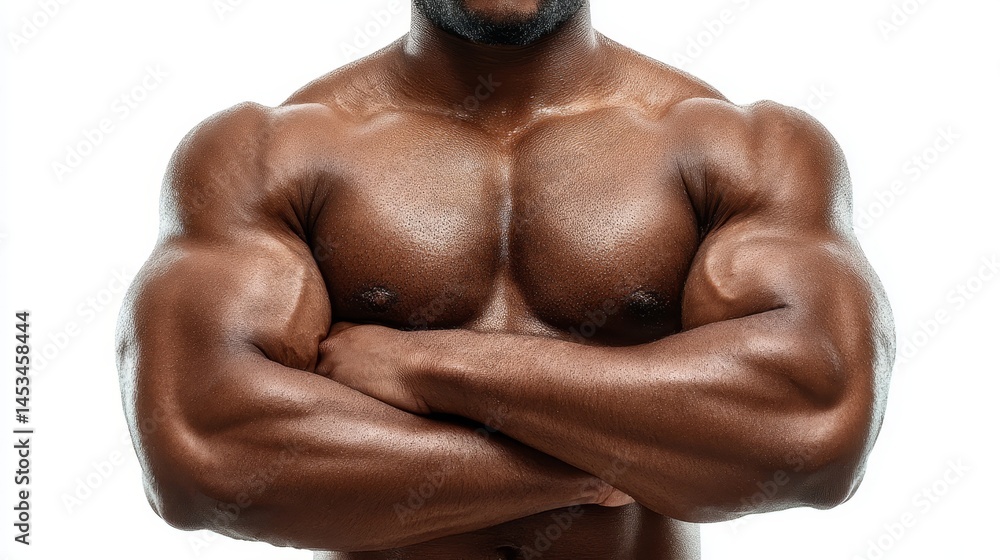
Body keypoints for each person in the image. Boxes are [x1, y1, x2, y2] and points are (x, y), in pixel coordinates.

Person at [115, 1, 895, 558]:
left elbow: (812, 426)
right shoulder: (267, 156)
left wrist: (423, 364)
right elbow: (204, 453)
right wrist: (613, 464)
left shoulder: (743, 150)